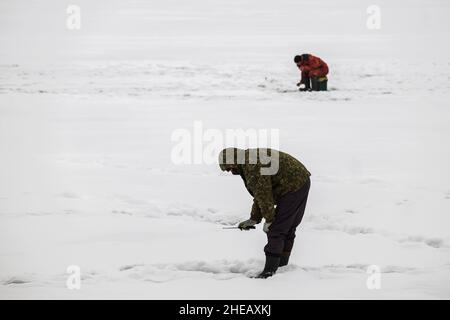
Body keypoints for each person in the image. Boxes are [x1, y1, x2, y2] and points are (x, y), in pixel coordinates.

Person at [218, 147, 311, 278]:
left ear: (232, 160)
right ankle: (281, 268)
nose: (230, 171)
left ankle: (269, 272)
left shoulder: (250, 164)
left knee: (276, 229)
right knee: (287, 228)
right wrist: (254, 219)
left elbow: (264, 195)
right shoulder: (247, 160)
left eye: (228, 167)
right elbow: (260, 192)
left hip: (292, 186)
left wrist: (269, 219)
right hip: (300, 181)